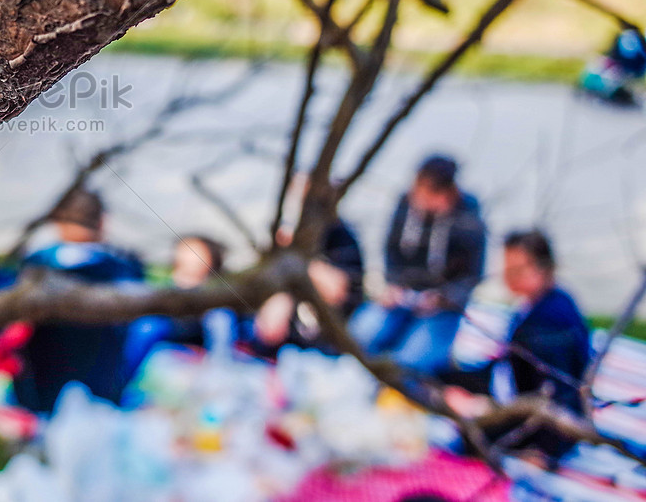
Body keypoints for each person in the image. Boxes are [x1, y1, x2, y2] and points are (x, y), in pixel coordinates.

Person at [444, 230, 590, 463]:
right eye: (506, 268)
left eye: (515, 270)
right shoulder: (543, 300)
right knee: (444, 377)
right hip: (516, 385)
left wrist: (544, 452)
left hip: (537, 416)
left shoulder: (549, 327)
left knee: (463, 437)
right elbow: (511, 362)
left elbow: (558, 396)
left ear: (542, 269)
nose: (507, 277)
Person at [349, 155, 486, 377]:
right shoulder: (406, 204)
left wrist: (444, 298)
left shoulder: (469, 219)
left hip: (443, 308)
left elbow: (473, 276)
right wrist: (391, 285)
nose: (417, 197)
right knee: (360, 333)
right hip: (403, 296)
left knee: (409, 361)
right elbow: (390, 250)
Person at [13, 189, 145, 413]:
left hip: (35, 392)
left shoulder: (34, 265)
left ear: (58, 221)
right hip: (100, 395)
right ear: (102, 222)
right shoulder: (123, 269)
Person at [249, 216, 365, 355]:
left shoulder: (336, 233)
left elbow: (338, 290)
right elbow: (269, 331)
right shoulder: (273, 248)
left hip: (336, 345)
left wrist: (301, 263)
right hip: (285, 352)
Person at [123, 234, 230, 374]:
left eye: (196, 252)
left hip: (200, 328)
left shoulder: (216, 289)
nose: (190, 257)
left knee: (221, 318)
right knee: (147, 327)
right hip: (168, 326)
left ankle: (219, 373)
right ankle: (123, 376)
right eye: (186, 250)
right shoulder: (167, 282)